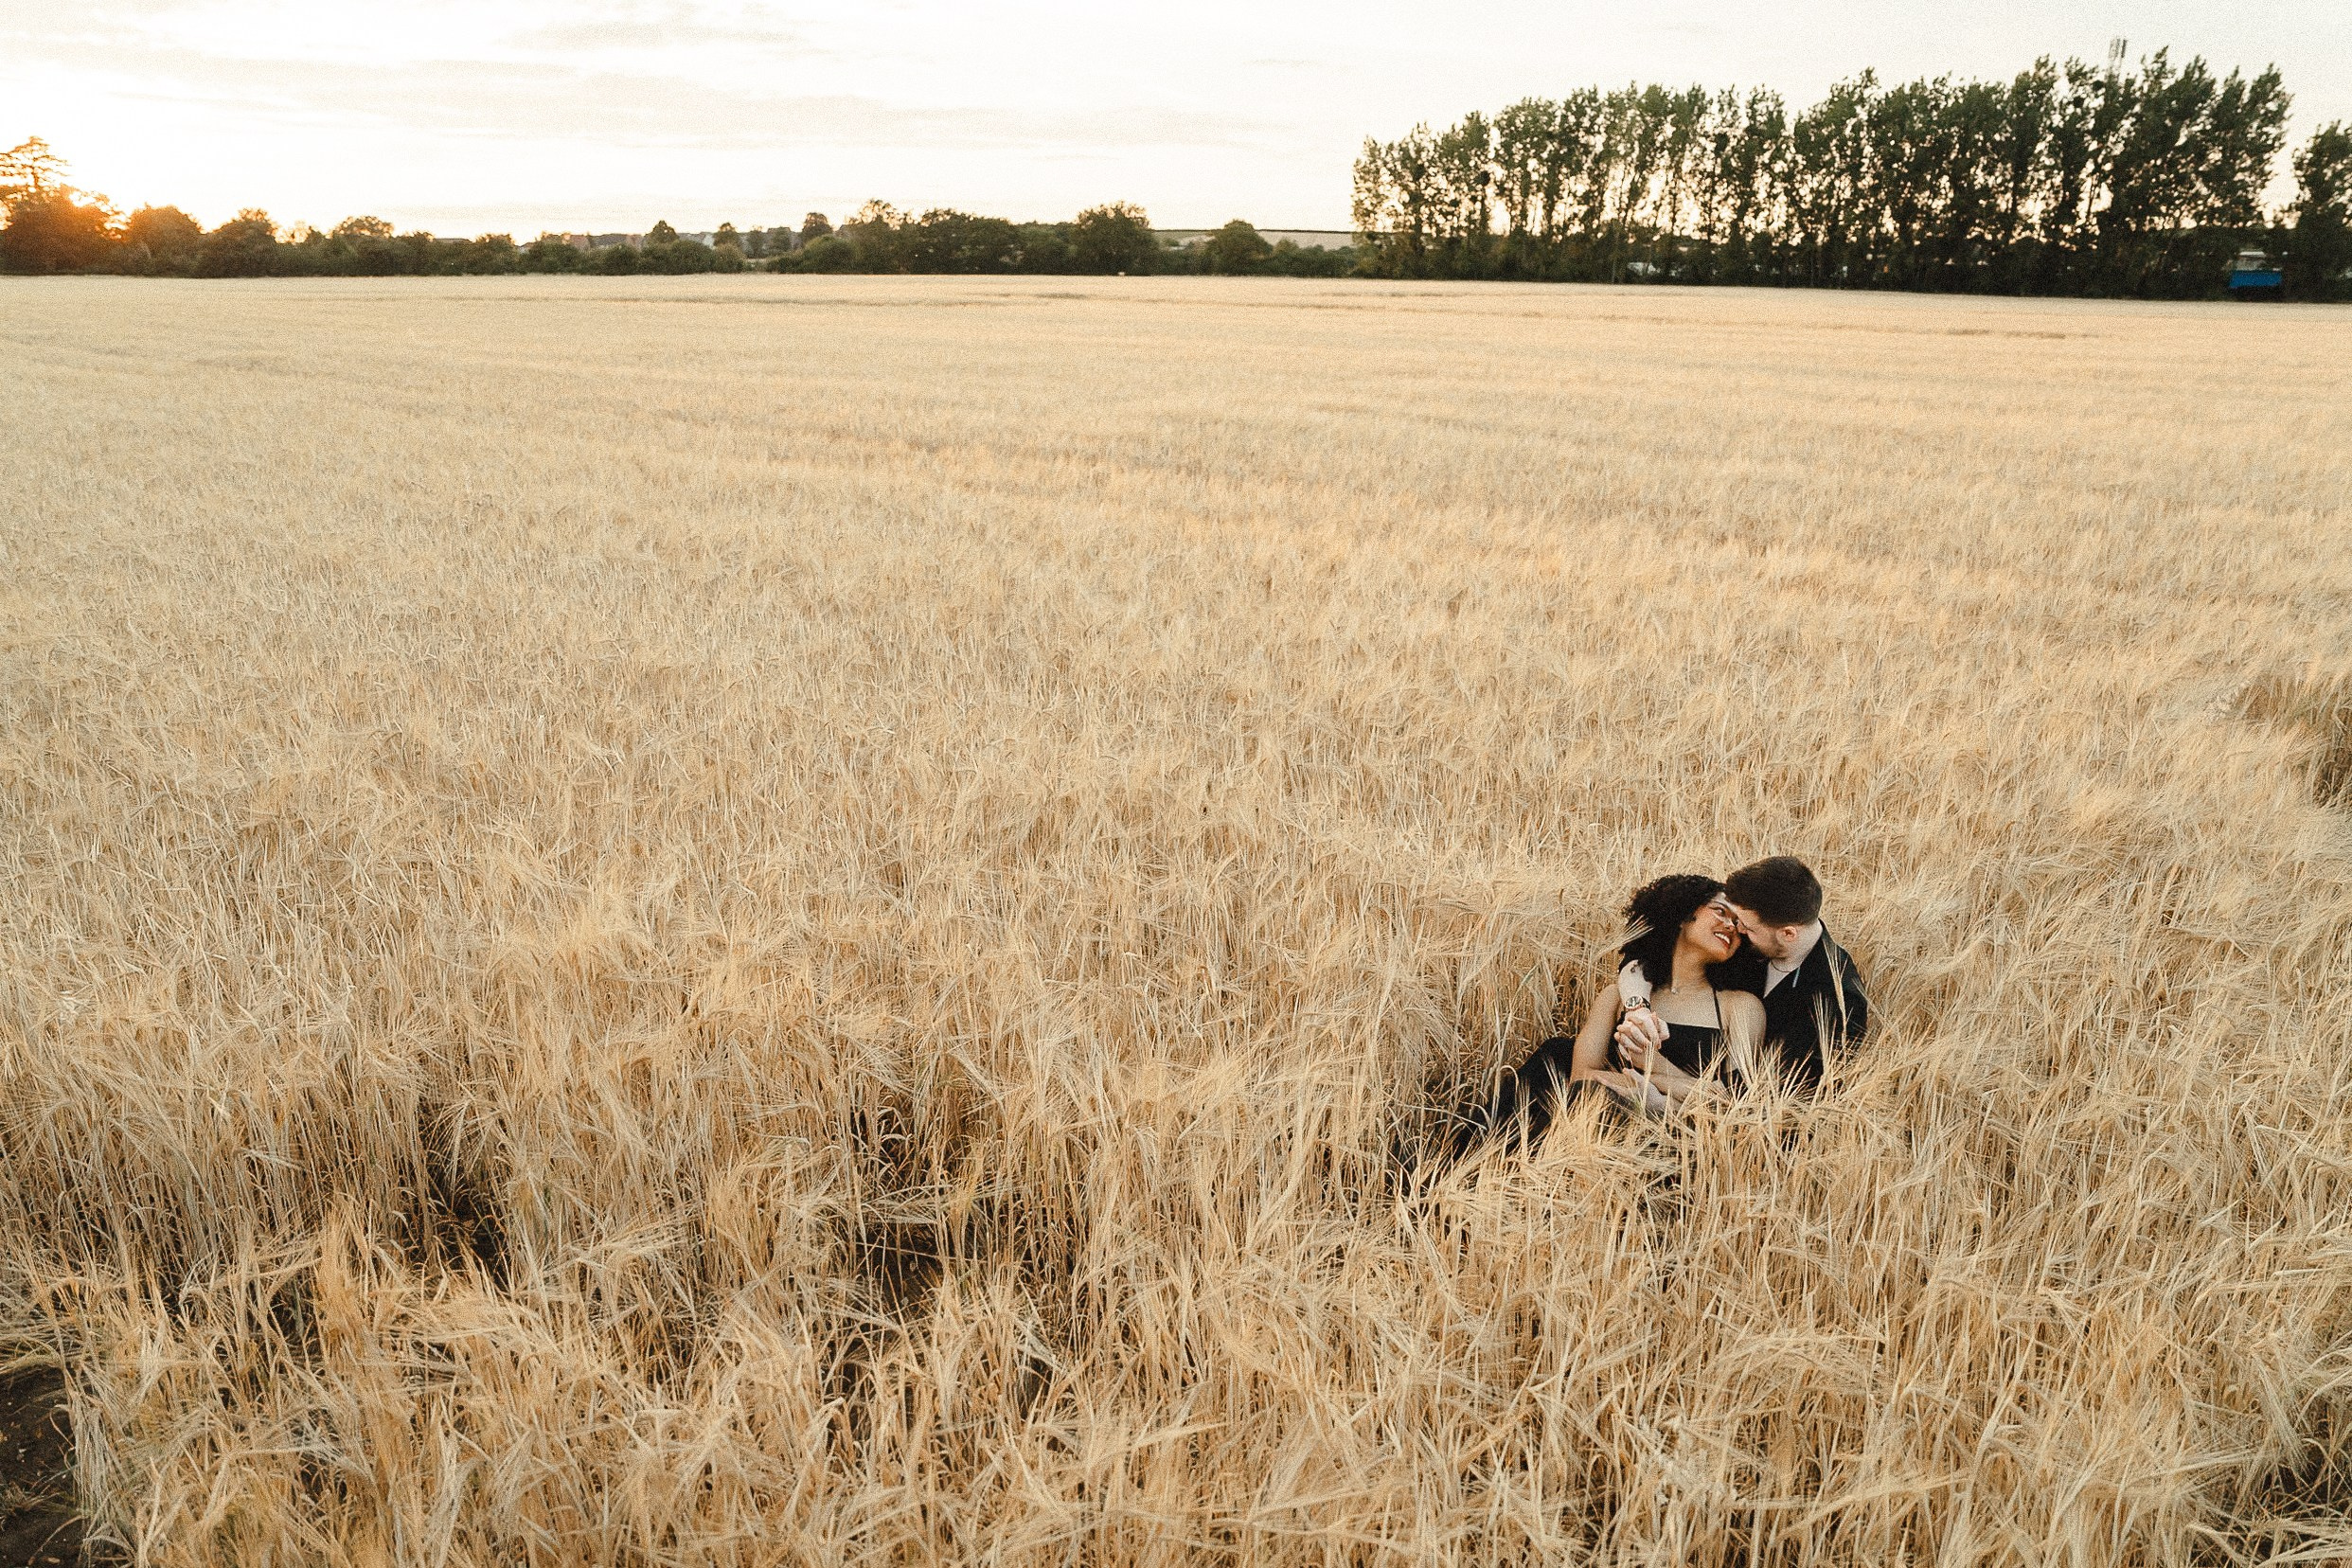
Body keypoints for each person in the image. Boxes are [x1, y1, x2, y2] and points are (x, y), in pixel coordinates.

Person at [1457, 874, 1766, 1150]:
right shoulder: (1616, 996)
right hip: (1603, 1127)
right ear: (1683, 914)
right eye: (1720, 911)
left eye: (1739, 926)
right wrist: (1657, 1086)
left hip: (1679, 1141)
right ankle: (1462, 1166)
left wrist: (1652, 1067)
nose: (1730, 926)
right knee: (1562, 1063)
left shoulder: (1739, 1006)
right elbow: (1582, 1078)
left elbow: (1732, 1101)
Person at [1616, 855, 1867, 1093]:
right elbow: (1646, 958)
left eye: (1746, 927)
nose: (1736, 931)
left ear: (1788, 934)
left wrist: (1652, 1076)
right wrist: (1637, 1008)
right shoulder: (1760, 932)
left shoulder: (1838, 999)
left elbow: (1765, 1090)